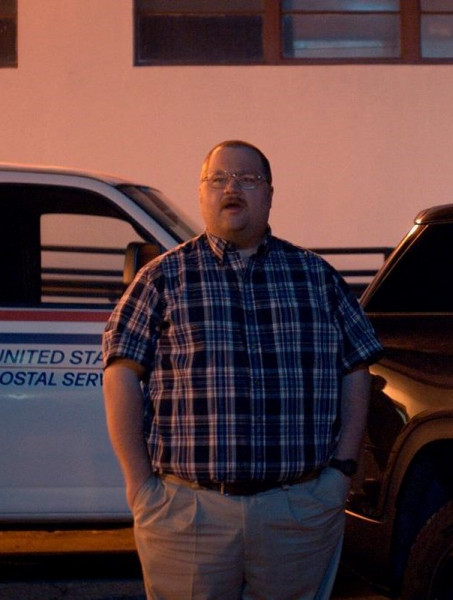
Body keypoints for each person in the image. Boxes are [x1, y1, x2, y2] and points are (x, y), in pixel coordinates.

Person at [102, 140, 383, 600]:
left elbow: (356, 369)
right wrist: (140, 485)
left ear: (270, 193)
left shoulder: (317, 277)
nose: (232, 188)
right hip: (189, 515)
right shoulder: (160, 279)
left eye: (247, 179)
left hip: (297, 511)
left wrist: (340, 473)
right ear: (201, 193)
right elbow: (120, 374)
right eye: (218, 179)